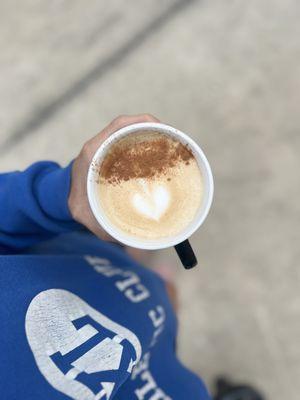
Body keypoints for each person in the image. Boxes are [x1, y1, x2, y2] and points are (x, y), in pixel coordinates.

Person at [0, 114, 211, 400]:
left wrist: (62, 194)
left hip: (97, 265)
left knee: (158, 290)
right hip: (169, 377)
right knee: (161, 302)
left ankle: (140, 263)